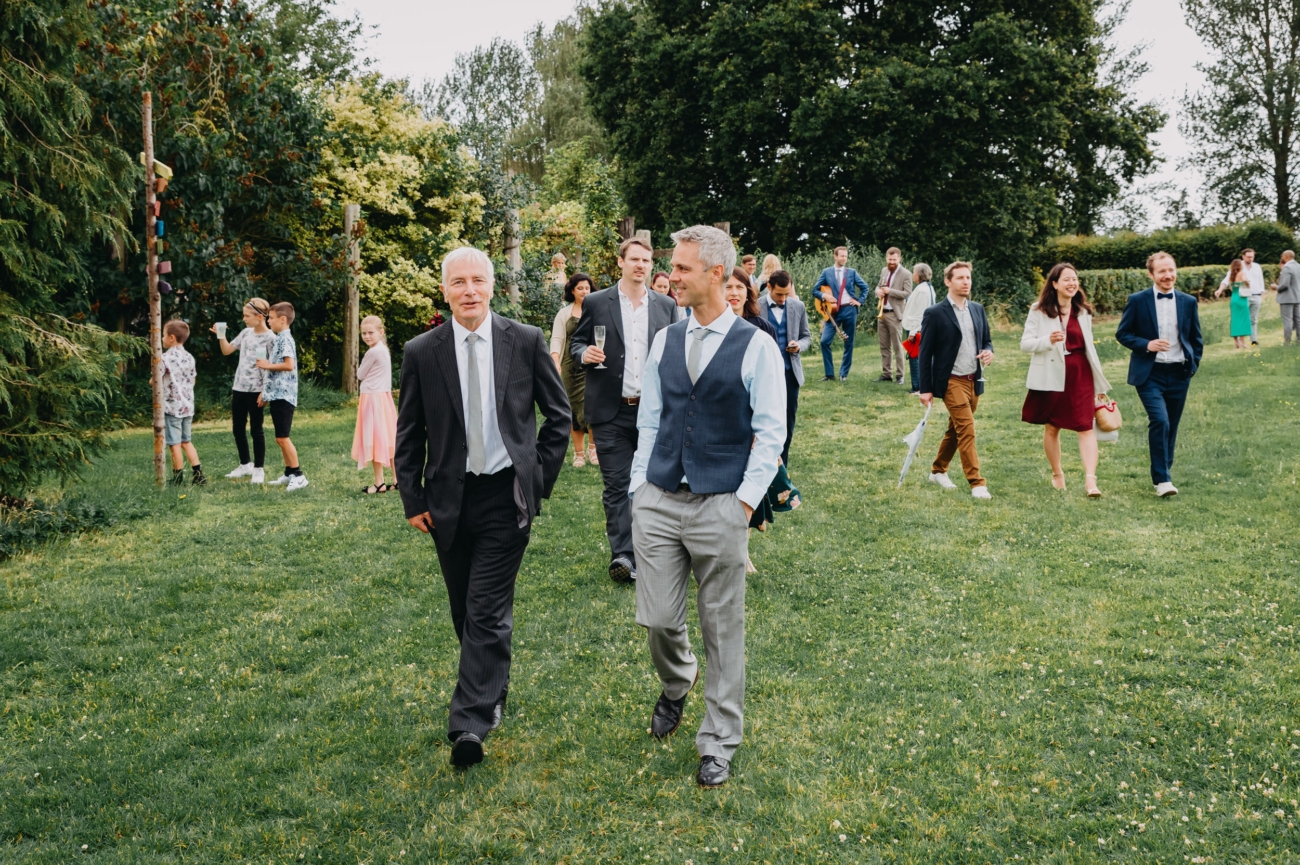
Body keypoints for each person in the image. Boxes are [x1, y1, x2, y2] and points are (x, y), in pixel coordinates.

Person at [394, 246, 570, 769]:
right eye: (458, 282)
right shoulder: (422, 351)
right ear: (444, 290)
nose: (469, 290)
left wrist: (535, 482)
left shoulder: (526, 340)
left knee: (486, 610)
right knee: (465, 610)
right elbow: (409, 434)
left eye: (478, 280)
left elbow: (557, 417)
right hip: (448, 498)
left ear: (493, 286)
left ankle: (469, 724)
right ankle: (490, 686)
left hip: (505, 495)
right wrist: (412, 497)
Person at [629, 224, 785, 788]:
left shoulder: (757, 346)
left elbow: (771, 433)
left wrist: (743, 504)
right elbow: (650, 416)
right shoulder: (666, 340)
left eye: (684, 268)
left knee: (722, 628)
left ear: (717, 274)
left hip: (721, 502)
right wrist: (638, 488)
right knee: (660, 619)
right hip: (659, 498)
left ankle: (718, 741)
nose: (672, 276)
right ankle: (677, 681)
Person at [571, 238, 679, 584]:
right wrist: (583, 353)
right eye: (634, 259)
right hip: (610, 411)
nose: (641, 265)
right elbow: (577, 342)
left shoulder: (666, 305)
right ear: (621, 262)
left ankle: (657, 551)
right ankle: (624, 556)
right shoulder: (596, 301)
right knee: (617, 486)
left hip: (655, 411)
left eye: (647, 260)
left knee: (656, 484)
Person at [1115, 251, 1203, 497]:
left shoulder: (1188, 302)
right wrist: (1147, 344)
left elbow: (1196, 339)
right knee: (1160, 421)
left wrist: (1192, 365)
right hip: (1149, 373)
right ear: (1151, 274)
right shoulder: (1137, 300)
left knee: (1171, 427)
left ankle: (1165, 472)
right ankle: (1162, 480)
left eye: (1171, 270)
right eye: (1162, 271)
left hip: (1179, 373)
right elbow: (1123, 334)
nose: (1168, 275)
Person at [1019, 264, 1112, 497]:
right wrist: (1047, 340)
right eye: (1067, 279)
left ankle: (1091, 481)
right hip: (1051, 374)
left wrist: (1099, 386)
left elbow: (1090, 349)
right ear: (1055, 283)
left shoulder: (1083, 311)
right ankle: (1057, 474)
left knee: (1085, 426)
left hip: (1080, 373)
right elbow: (1025, 344)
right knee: (1052, 427)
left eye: (1075, 279)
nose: (1072, 283)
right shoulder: (1038, 310)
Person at [917, 262, 994, 499]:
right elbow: (925, 353)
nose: (966, 282)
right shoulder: (935, 313)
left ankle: (938, 470)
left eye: (968, 277)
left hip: (974, 380)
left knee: (957, 428)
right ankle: (977, 483)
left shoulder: (978, 309)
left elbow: (987, 340)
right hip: (950, 380)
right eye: (960, 278)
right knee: (967, 429)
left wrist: (989, 351)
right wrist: (925, 389)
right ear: (947, 281)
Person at [210, 298, 275, 483]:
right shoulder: (246, 333)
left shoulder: (271, 338)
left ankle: (258, 469)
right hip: (239, 388)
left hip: (257, 390)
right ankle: (245, 464)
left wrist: (265, 391)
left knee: (256, 429)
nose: (244, 319)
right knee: (237, 428)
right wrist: (221, 335)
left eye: (247, 316)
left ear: (260, 316)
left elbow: (270, 367)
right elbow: (227, 350)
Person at [757, 270, 810, 467]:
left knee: (787, 423)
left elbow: (807, 336)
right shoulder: (755, 305)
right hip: (763, 374)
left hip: (789, 374)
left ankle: (782, 468)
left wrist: (799, 346)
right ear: (769, 287)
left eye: (787, 294)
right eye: (779, 294)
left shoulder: (798, 306)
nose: (783, 299)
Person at [255, 302, 307, 491]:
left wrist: (267, 365)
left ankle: (299, 475)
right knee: (279, 437)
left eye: (271, 318)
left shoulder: (285, 339)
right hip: (277, 394)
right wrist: (266, 392)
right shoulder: (280, 338)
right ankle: (289, 473)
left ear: (283, 320)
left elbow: (288, 365)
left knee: (283, 438)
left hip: (284, 396)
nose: (268, 321)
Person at [550, 273, 598, 467]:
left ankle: (593, 450)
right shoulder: (564, 313)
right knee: (574, 409)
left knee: (592, 408)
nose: (584, 291)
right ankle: (579, 453)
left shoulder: (597, 310)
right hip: (570, 368)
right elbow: (557, 338)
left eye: (587, 288)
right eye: (580, 288)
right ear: (572, 290)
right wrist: (555, 360)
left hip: (593, 366)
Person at [352, 315, 398, 493]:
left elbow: (360, 374)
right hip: (383, 397)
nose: (367, 336)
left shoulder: (373, 352)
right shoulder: (383, 349)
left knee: (375, 439)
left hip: (372, 398)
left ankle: (379, 482)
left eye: (371, 332)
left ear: (381, 332)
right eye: (364, 333)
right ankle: (396, 478)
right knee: (388, 438)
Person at [812, 246, 870, 381]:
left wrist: (859, 301)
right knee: (824, 341)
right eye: (841, 256)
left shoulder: (852, 272)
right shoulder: (826, 272)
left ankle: (843, 374)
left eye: (846, 256)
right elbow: (815, 290)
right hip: (833, 311)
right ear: (835, 256)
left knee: (848, 342)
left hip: (850, 310)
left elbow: (865, 287)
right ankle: (829, 374)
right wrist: (824, 297)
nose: (844, 258)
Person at [160, 320, 205, 486]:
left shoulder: (165, 358)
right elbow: (193, 380)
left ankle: (178, 477)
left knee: (174, 444)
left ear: (172, 337)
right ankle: (198, 474)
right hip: (188, 406)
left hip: (172, 408)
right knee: (186, 441)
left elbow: (156, 381)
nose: (162, 339)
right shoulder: (189, 357)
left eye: (163, 335)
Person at [875, 247, 913, 383]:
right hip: (882, 312)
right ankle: (886, 374)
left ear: (899, 259)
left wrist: (890, 291)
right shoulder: (884, 270)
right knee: (884, 346)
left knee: (897, 346)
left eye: (894, 260)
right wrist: (877, 291)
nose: (891, 262)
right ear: (886, 258)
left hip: (895, 314)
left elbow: (907, 293)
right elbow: (879, 286)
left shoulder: (906, 274)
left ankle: (900, 375)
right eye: (889, 259)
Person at [900, 264, 936, 394]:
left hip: (918, 328)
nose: (912, 274)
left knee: (915, 357)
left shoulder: (922, 290)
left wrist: (914, 331)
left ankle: (918, 386)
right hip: (922, 327)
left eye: (914, 272)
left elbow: (920, 313)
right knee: (921, 357)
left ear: (920, 274)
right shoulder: (928, 288)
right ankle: (922, 385)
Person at [1221, 248, 1265, 345]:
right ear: (1243, 256)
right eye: (1248, 257)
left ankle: (1253, 339)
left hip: (1256, 294)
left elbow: (1260, 279)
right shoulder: (1238, 266)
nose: (1250, 259)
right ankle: (1242, 340)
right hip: (1243, 295)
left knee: (1253, 318)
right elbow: (1227, 279)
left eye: (1252, 257)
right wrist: (1220, 289)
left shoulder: (1257, 266)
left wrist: (1261, 290)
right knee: (1243, 318)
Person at [725, 267, 777, 341]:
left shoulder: (764, 328)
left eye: (739, 287)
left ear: (747, 293)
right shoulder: (710, 326)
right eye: (728, 287)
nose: (734, 293)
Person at [1214, 258, 1252, 349]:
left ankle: (1236, 342)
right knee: (1243, 319)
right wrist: (1247, 282)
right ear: (1240, 266)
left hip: (1234, 298)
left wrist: (1219, 290)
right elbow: (1246, 282)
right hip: (1241, 298)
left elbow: (1230, 287)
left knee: (1234, 320)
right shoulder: (1242, 273)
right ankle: (1242, 342)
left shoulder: (1231, 276)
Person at [1275, 250, 1300, 344]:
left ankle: (1287, 341)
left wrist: (1276, 287)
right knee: (1298, 320)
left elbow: (1285, 284)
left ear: (1285, 256)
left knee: (1288, 320)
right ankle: (1299, 339)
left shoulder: (1287, 267)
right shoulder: (1298, 266)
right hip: (1297, 297)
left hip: (1287, 298)